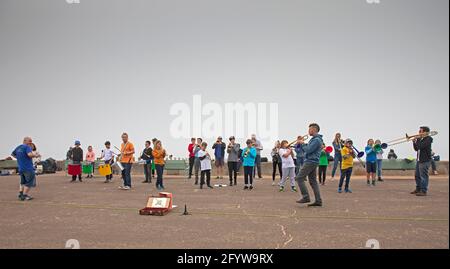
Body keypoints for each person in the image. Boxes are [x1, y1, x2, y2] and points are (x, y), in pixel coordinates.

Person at [295, 123, 323, 207]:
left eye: (309, 129)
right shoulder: (316, 139)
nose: (308, 131)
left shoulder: (316, 140)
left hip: (310, 161)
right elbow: (309, 148)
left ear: (314, 130)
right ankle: (318, 201)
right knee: (313, 181)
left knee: (299, 178)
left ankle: (306, 197)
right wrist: (302, 144)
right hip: (313, 161)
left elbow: (308, 150)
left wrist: (302, 143)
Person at [12, 137, 41, 201]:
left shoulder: (18, 147)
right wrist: (36, 155)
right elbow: (29, 155)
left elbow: (13, 154)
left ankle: (21, 194)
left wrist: (20, 158)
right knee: (29, 182)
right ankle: (25, 195)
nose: (30, 142)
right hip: (28, 167)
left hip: (21, 168)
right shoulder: (27, 147)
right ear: (25, 141)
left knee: (23, 182)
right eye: (29, 141)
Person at [411, 126, 433, 196]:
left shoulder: (428, 139)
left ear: (425, 132)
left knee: (423, 176)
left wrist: (417, 139)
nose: (419, 133)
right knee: (417, 175)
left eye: (421, 131)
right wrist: (414, 142)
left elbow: (421, 146)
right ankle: (418, 189)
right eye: (419, 131)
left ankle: (423, 191)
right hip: (419, 160)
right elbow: (416, 149)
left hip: (425, 160)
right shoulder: (420, 139)